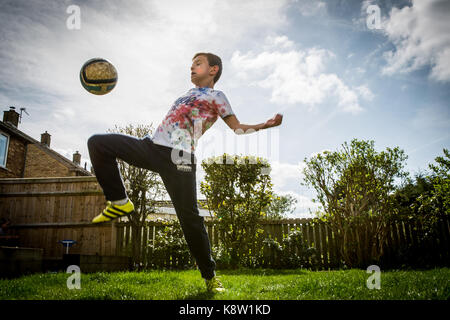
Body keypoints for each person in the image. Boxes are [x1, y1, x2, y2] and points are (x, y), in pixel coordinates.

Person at [87, 52, 283, 293]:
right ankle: (119, 201)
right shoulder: (185, 95)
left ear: (213, 70)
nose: (192, 68)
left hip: (179, 157)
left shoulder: (216, 96)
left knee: (189, 219)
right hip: (152, 147)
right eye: (191, 65)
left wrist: (265, 125)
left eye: (198, 64)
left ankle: (210, 277)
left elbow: (237, 128)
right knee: (97, 143)